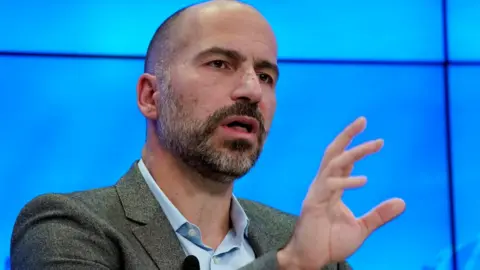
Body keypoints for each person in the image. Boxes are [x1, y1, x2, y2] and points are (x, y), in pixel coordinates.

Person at [10, 0, 406, 269]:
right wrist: (289, 265)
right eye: (220, 64)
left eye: (266, 76)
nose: (252, 90)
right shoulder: (66, 225)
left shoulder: (306, 243)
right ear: (151, 96)